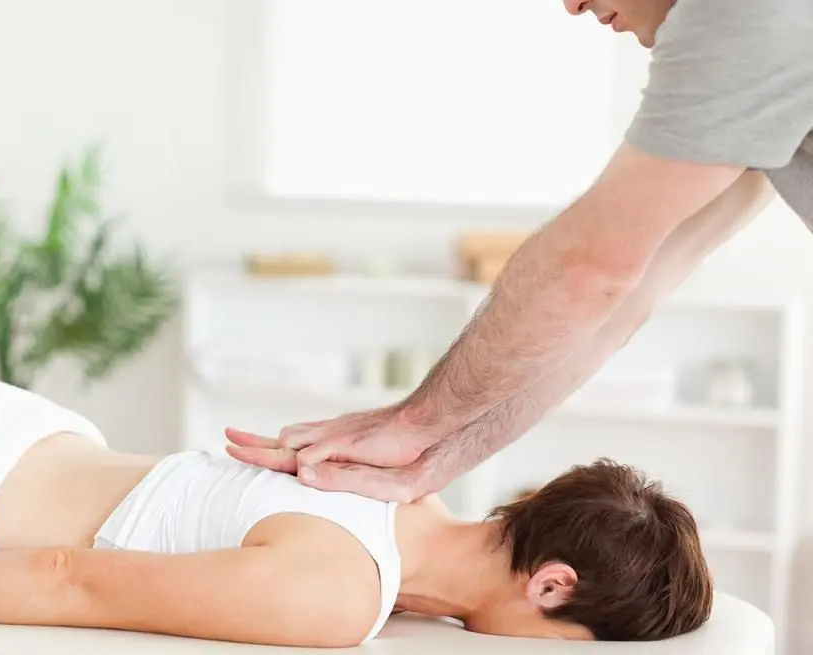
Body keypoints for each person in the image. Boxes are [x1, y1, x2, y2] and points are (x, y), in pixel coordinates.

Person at [229, 0, 813, 503]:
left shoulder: (742, 17)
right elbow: (628, 294)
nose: (572, 4)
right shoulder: (756, 62)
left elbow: (590, 269)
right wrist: (428, 465)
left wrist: (412, 422)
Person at [0, 378, 709, 646]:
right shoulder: (337, 595)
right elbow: (69, 578)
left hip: (7, 425)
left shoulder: (403, 480)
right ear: (553, 585)